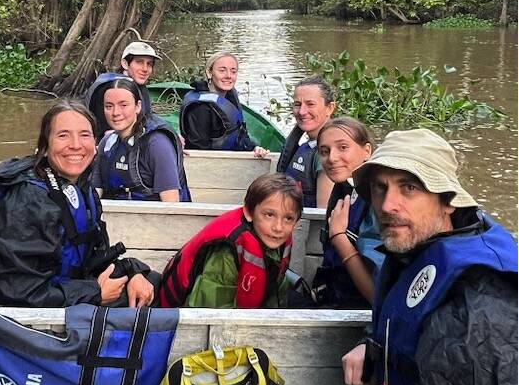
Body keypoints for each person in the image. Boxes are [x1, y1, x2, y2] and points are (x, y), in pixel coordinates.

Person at [307, 128, 518, 385]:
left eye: (409, 188)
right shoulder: (422, 246)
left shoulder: (475, 312)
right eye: (380, 188)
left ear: (447, 200)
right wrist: (375, 345)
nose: (387, 206)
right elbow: (410, 315)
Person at [0, 100, 156, 308]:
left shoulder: (81, 186)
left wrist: (131, 271)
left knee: (149, 284)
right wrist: (93, 293)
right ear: (45, 144)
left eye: (84, 135)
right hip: (24, 319)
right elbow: (13, 290)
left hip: (65, 292)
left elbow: (94, 257)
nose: (76, 145)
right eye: (63, 135)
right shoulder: (25, 199)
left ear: (95, 144)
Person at [159, 173, 303, 309]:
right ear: (249, 213)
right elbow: (210, 309)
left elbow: (276, 291)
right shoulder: (226, 253)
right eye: (269, 215)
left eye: (288, 218)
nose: (278, 227)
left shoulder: (275, 240)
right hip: (186, 317)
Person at [313, 117, 383, 308]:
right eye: (325, 151)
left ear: (367, 151)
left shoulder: (378, 203)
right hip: (334, 299)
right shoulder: (345, 189)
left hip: (359, 318)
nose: (332, 158)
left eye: (343, 147)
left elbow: (378, 297)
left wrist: (338, 237)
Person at [93, 77, 190, 202]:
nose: (115, 112)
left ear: (137, 106)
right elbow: (96, 191)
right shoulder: (107, 143)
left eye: (123, 105)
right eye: (109, 106)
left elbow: (171, 202)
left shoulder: (157, 143)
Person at [180, 52, 268, 156]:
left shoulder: (230, 95)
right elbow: (198, 151)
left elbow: (239, 133)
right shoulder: (200, 108)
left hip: (230, 154)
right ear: (209, 73)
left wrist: (254, 148)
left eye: (233, 71)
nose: (228, 76)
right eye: (222, 70)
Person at [276, 76, 335, 208]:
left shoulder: (328, 152)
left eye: (311, 104)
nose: (302, 111)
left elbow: (322, 215)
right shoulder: (309, 144)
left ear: (330, 108)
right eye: (297, 104)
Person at [85, 41, 160, 139]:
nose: (145, 69)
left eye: (149, 64)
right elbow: (104, 130)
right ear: (125, 64)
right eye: (139, 62)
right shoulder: (109, 88)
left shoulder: (140, 86)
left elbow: (147, 118)